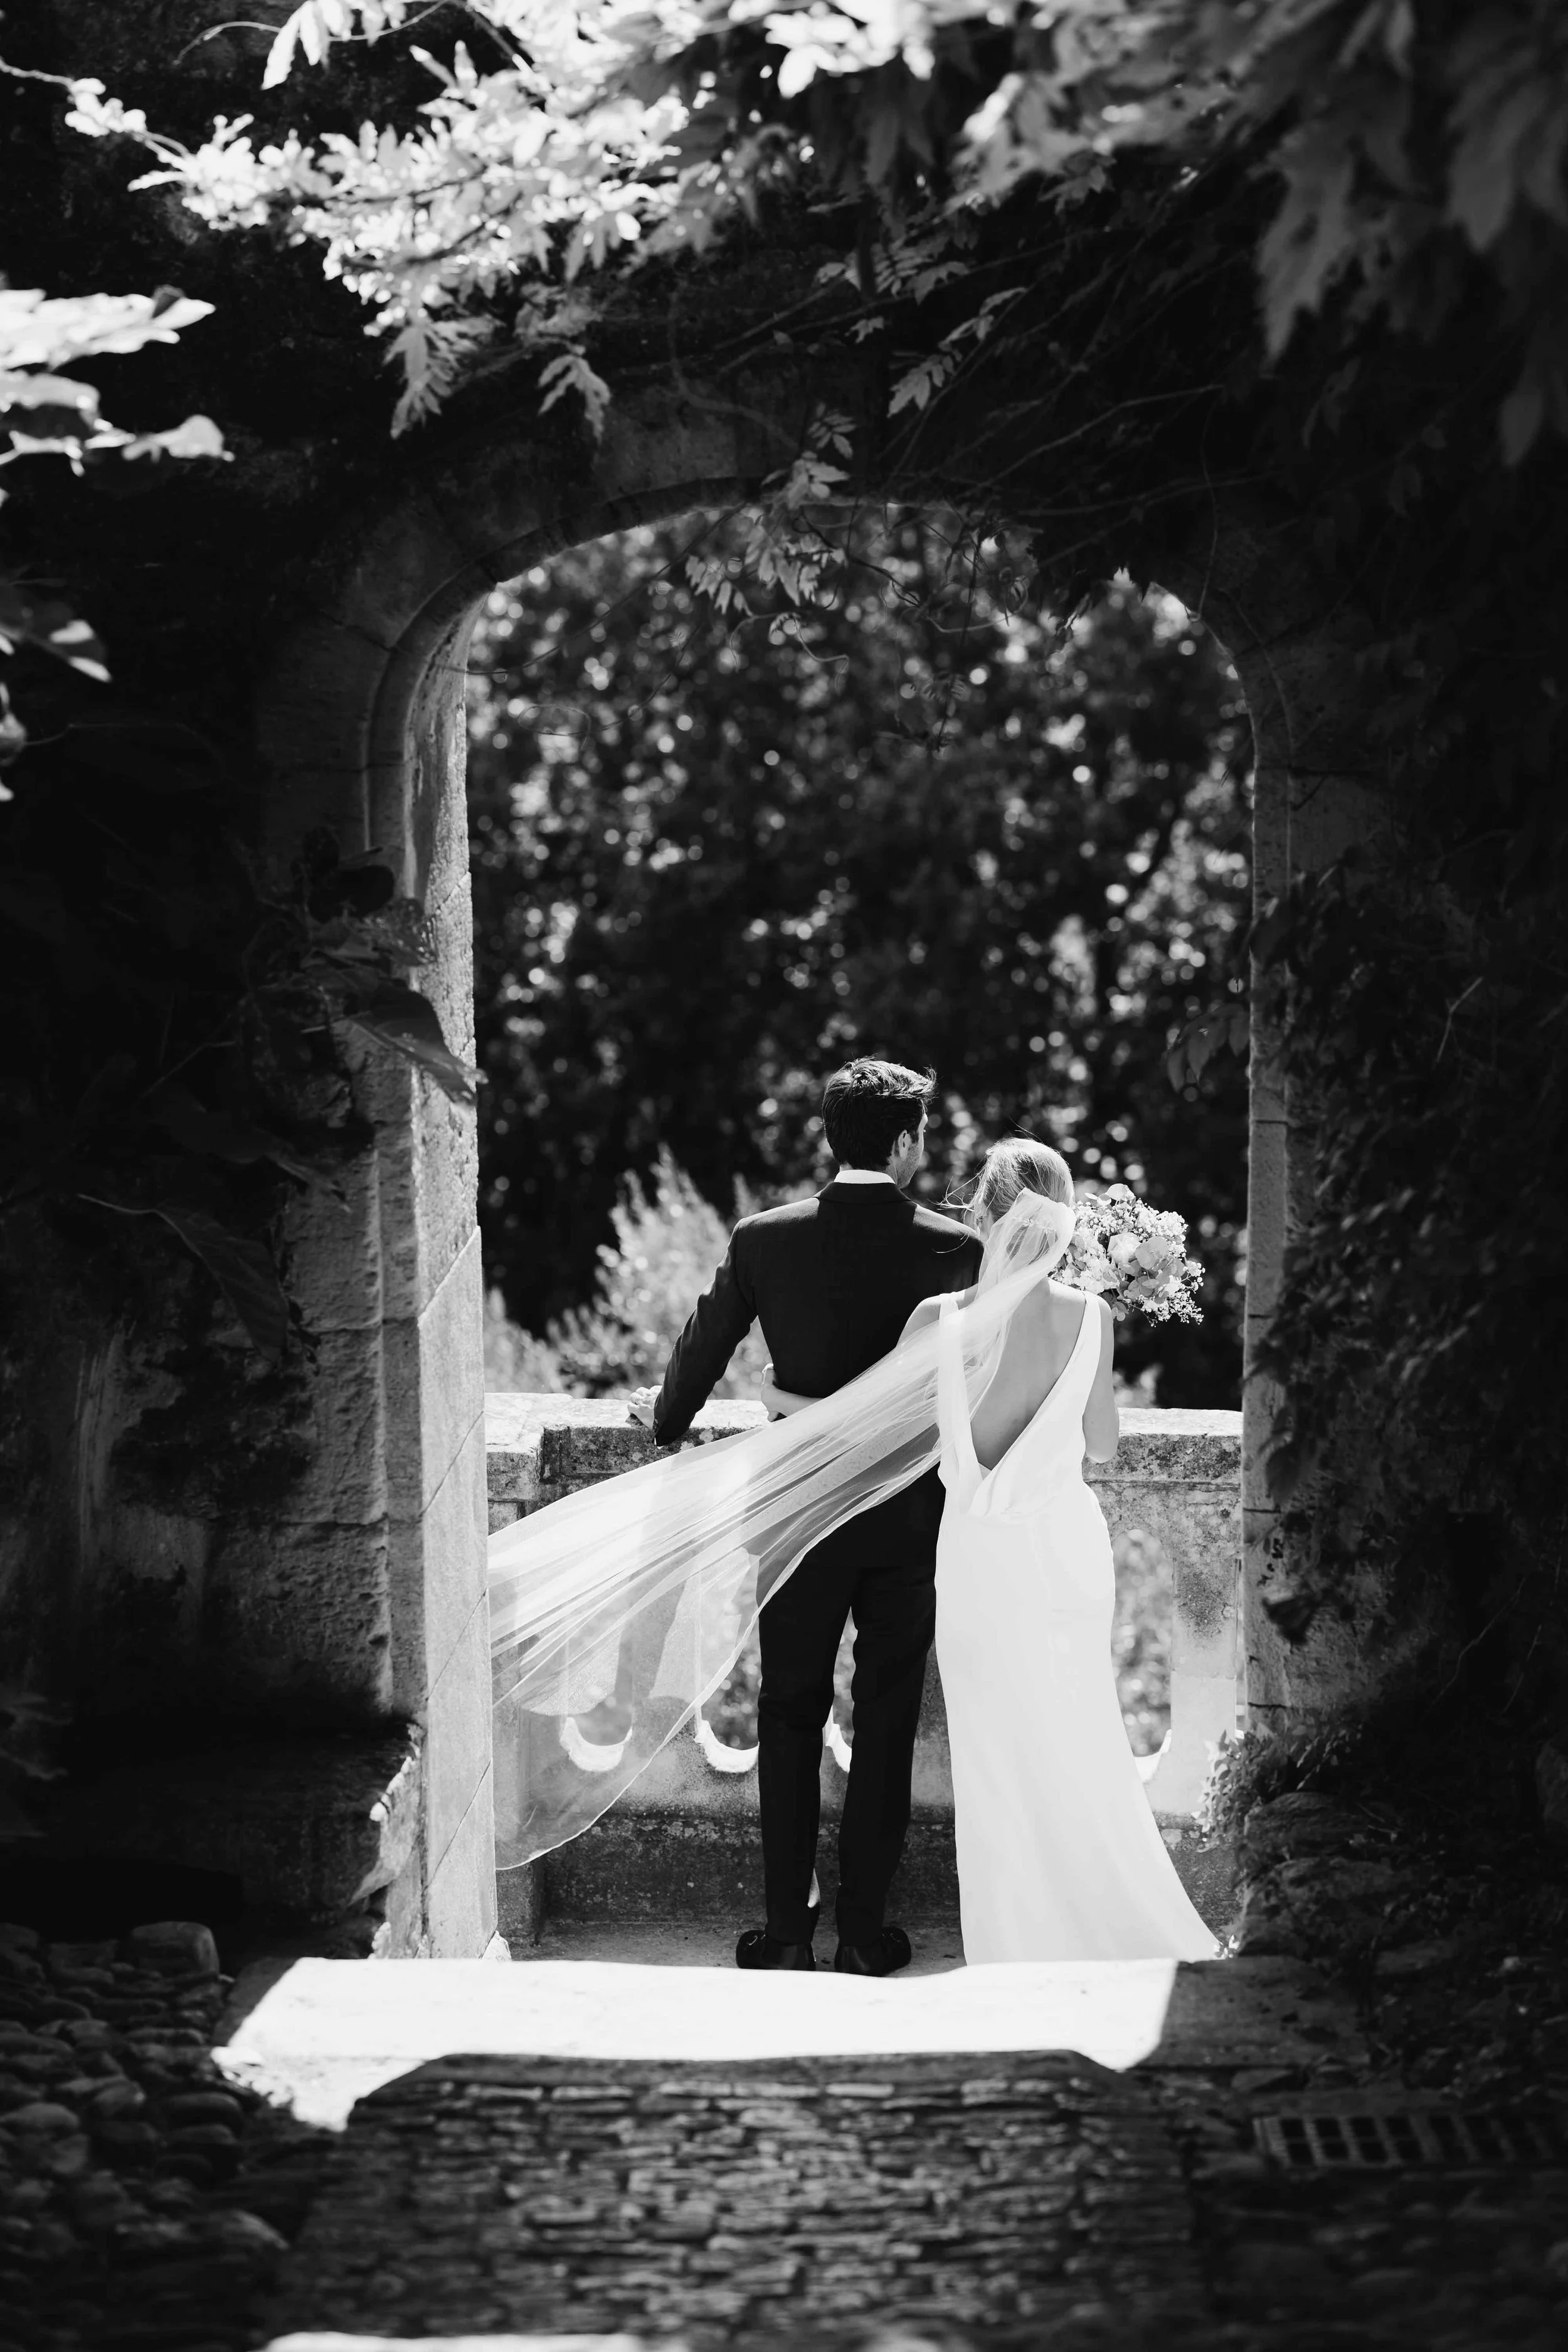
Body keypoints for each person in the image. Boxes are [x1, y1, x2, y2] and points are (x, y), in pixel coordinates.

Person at [766, 1136, 1216, 1963]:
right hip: (1067, 1554)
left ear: (985, 1215)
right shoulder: (1094, 1317)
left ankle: (1017, 1936)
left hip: (978, 1559)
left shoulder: (943, 1323)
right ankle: (1102, 1910)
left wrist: (775, 1395)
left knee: (995, 1751)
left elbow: (867, 1425)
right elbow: (1104, 1447)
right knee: (1079, 1734)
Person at [646, 1058, 981, 1977]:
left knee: (789, 1712)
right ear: (907, 1139)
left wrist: (665, 1420)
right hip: (905, 1516)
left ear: (832, 1136)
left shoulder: (765, 1239)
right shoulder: (958, 1249)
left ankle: (786, 1931)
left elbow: (703, 1346)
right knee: (885, 1719)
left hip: (793, 1511)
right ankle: (866, 1934)